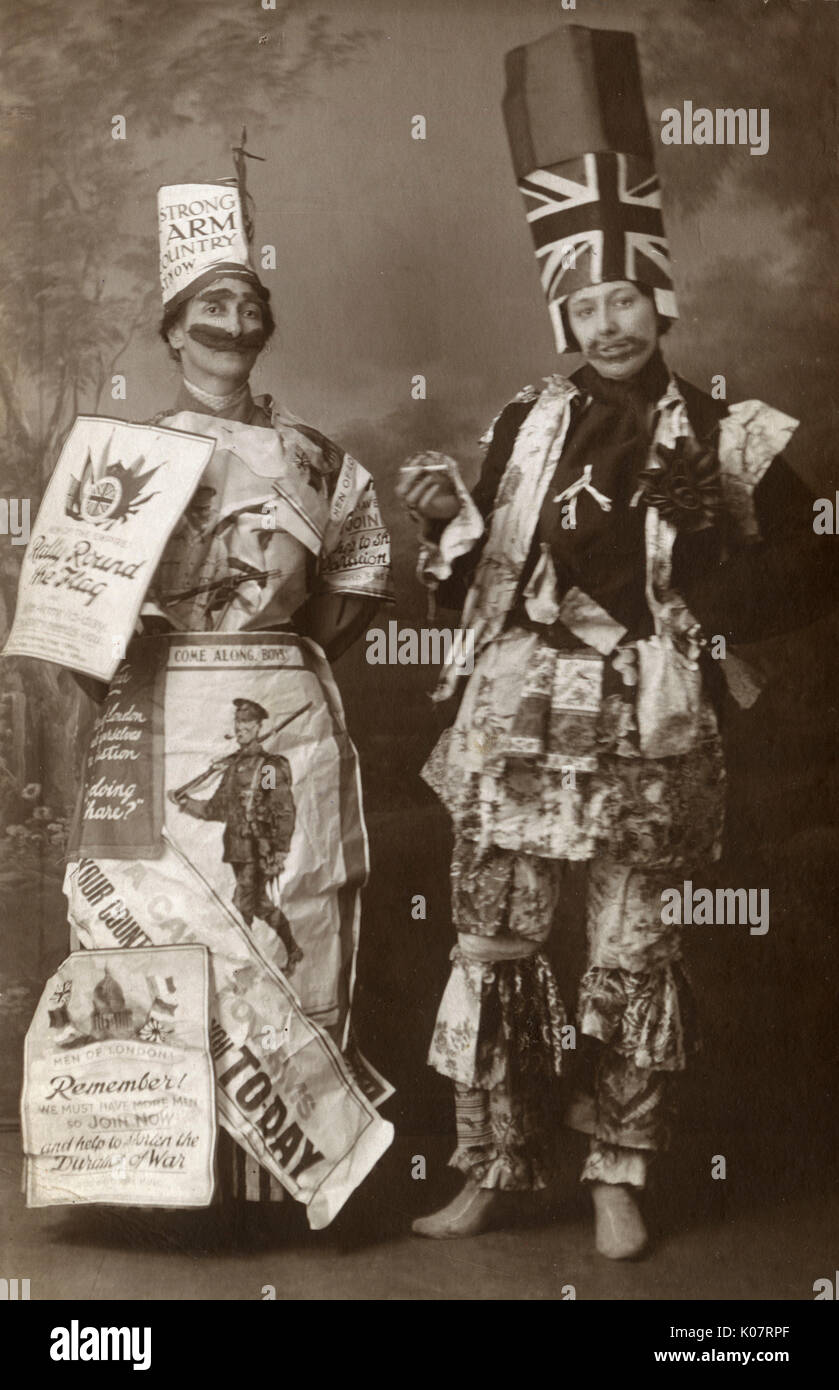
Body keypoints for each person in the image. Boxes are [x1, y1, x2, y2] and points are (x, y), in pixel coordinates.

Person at [398, 25, 838, 1257]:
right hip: (516, 722)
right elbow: (472, 582)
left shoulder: (727, 426)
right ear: (562, 315)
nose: (606, 320)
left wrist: (710, 593)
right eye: (582, 302)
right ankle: (488, 1160)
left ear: (660, 299)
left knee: (634, 948)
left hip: (645, 727)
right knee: (492, 940)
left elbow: (813, 558)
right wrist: (445, 528)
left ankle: (615, 1170)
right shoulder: (519, 423)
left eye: (623, 298)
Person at [64, 154, 394, 1209]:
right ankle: (173, 1184)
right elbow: (78, 623)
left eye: (249, 299)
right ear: (175, 330)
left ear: (263, 327)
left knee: (286, 907)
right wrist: (141, 698)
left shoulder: (315, 456)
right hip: (160, 709)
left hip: (281, 708)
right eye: (214, 300)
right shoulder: (123, 451)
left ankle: (280, 1186)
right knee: (169, 927)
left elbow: (353, 588)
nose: (235, 312)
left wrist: (278, 657)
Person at [170, 697, 301, 974]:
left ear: (257, 727)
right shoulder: (232, 768)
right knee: (260, 904)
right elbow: (216, 809)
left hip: (258, 849)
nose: (240, 727)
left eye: (246, 723)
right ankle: (293, 949)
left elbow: (282, 808)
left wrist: (280, 849)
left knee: (241, 905)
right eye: (237, 722)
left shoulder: (267, 767)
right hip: (237, 849)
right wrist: (185, 802)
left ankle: (244, 965)